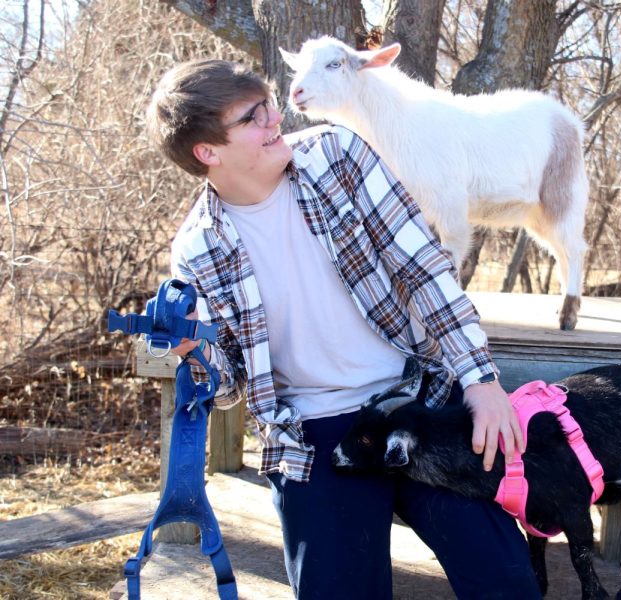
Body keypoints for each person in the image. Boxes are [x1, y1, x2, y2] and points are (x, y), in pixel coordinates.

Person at [145, 58, 541, 599]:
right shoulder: (197, 250)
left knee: (506, 580)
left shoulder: (337, 154)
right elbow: (233, 382)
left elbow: (423, 266)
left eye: (269, 103)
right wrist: (189, 351)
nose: (275, 116)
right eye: (254, 115)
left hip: (413, 399)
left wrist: (481, 380)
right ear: (208, 152)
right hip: (311, 432)